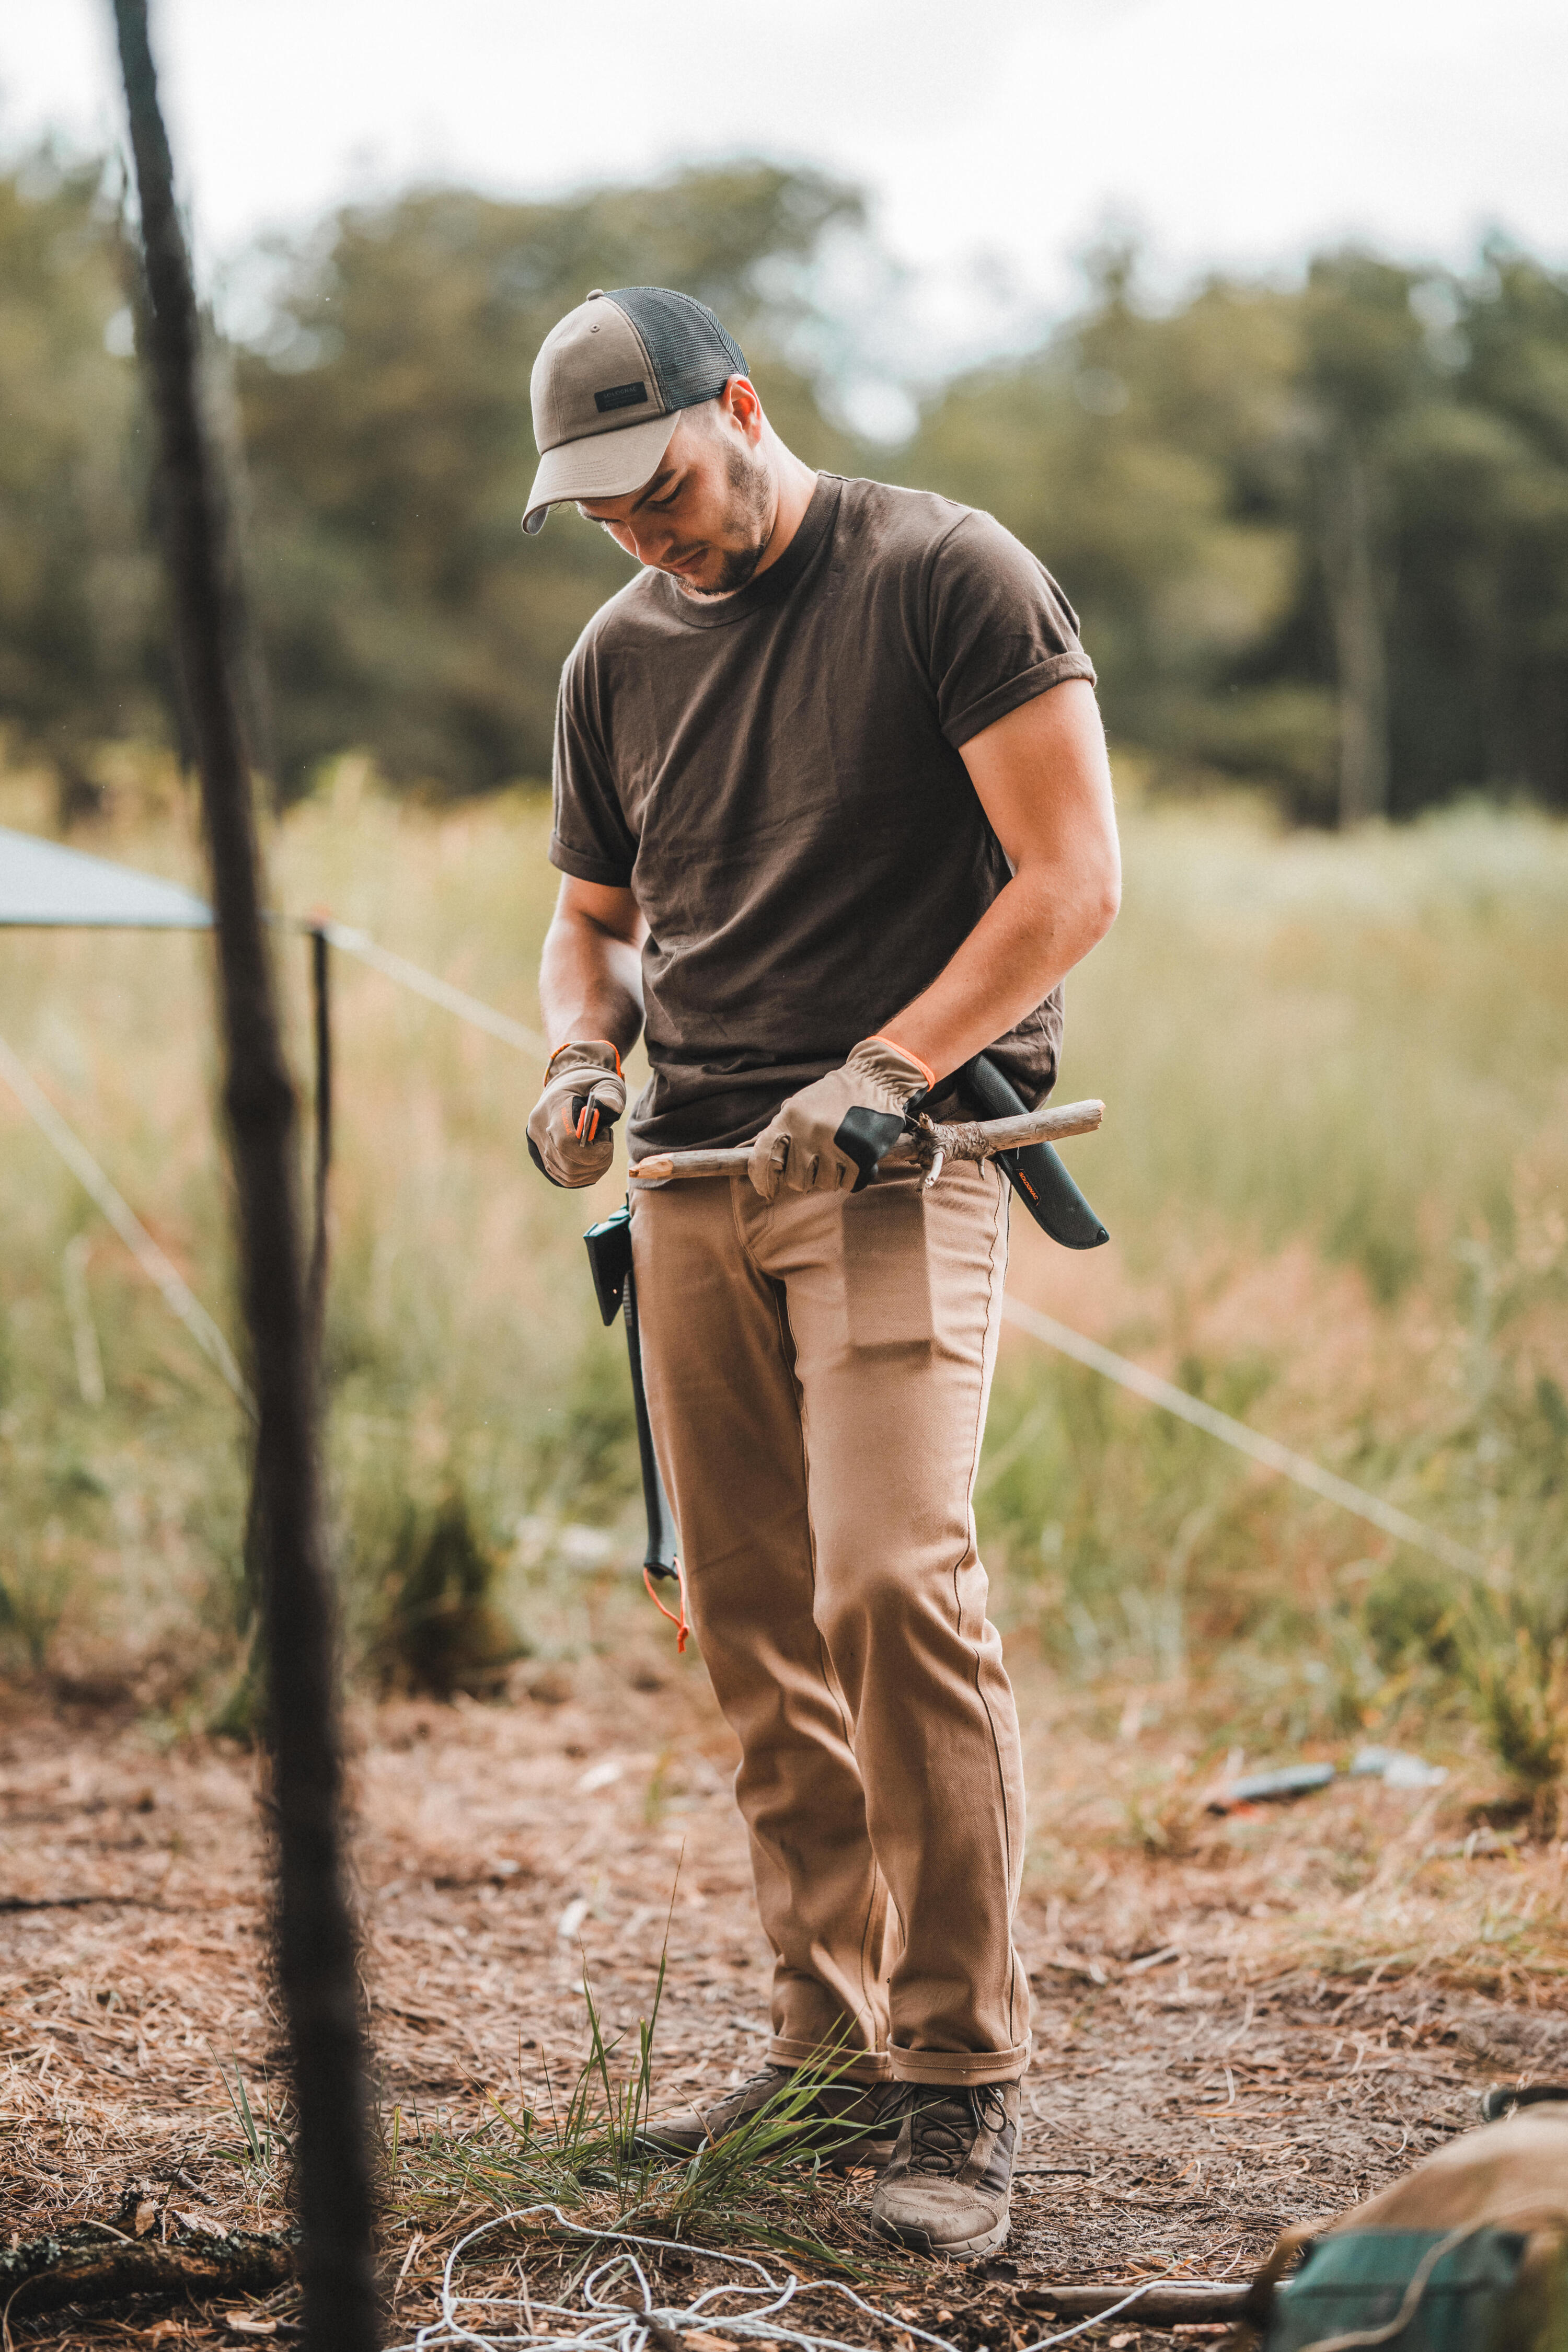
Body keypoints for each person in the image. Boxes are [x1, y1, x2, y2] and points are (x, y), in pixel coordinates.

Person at [522, 285, 1120, 2260]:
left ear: (744, 408)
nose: (646, 531)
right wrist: (575, 1054)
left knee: (889, 1579)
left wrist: (889, 1065)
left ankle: (960, 2083)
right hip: (691, 1183)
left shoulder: (947, 574)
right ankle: (822, 2047)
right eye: (604, 511)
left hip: (900, 1164)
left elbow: (1071, 882)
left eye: (663, 483)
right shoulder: (614, 657)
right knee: (756, 1616)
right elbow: (591, 925)